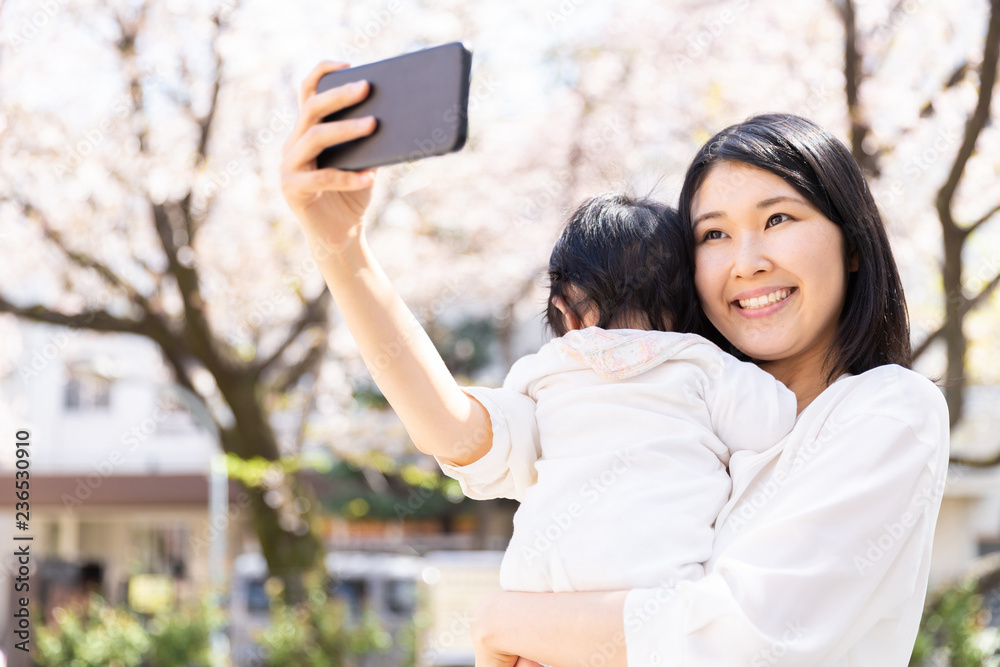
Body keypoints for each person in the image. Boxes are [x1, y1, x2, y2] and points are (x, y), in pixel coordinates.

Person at [281, 61, 948, 665]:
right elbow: (453, 428)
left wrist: (503, 619)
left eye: (779, 219)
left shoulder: (888, 411)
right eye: (714, 233)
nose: (747, 260)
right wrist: (340, 247)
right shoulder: (637, 394)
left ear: (853, 244)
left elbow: (739, 640)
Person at [432, 191, 797, 600]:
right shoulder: (702, 363)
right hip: (657, 583)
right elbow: (774, 421)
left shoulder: (544, 368)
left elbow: (510, 421)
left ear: (565, 311)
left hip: (539, 583)